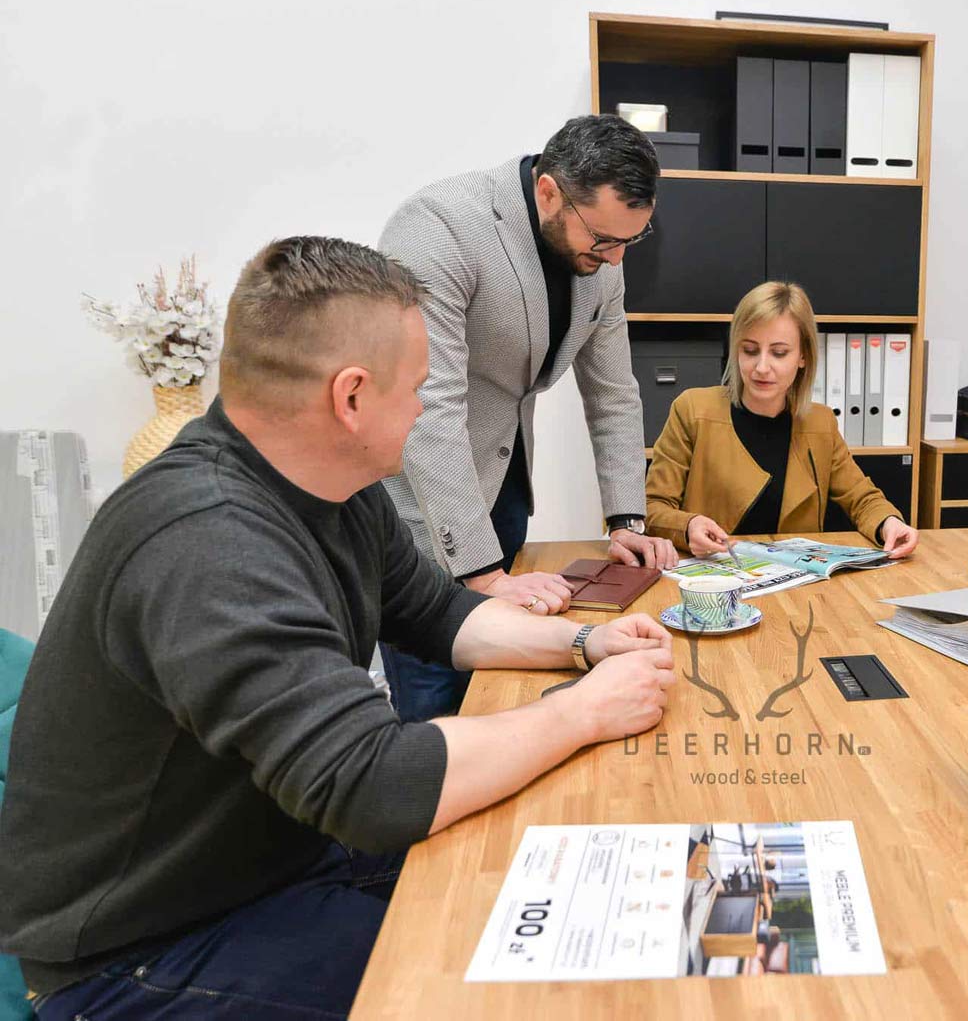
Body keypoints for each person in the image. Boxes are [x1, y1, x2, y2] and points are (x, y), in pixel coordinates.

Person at [0, 237, 676, 1020]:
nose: (425, 408)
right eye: (419, 388)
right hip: (139, 949)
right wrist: (586, 710)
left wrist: (584, 647)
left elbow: (438, 615)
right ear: (351, 397)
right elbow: (374, 785)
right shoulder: (206, 541)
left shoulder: (337, 488)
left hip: (280, 861)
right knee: (533, 989)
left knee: (564, 878)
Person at [377, 114, 678, 720]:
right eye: (603, 239)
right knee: (439, 707)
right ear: (548, 192)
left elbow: (615, 393)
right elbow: (429, 408)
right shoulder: (439, 228)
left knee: (501, 696)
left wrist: (626, 519)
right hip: (428, 513)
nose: (617, 258)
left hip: (509, 486)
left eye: (631, 241)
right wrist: (483, 573)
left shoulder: (605, 262)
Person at [645, 281, 919, 558]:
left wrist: (889, 523)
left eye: (778, 353)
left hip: (794, 583)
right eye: (750, 350)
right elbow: (652, 507)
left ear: (803, 356)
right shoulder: (692, 410)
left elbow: (862, 498)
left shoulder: (821, 424)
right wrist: (688, 525)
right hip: (713, 583)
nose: (762, 367)